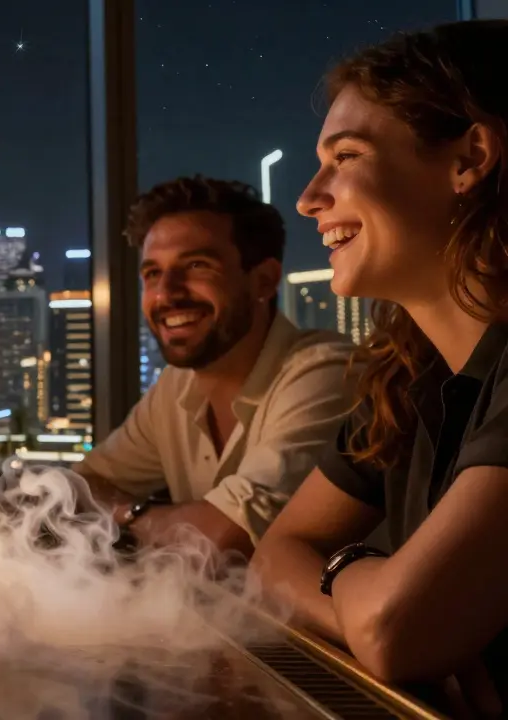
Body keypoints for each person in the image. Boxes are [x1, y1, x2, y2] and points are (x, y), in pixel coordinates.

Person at [251, 20, 508, 712]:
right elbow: (275, 556)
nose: (308, 198)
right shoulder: (405, 374)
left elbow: (398, 633)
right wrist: (366, 603)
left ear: (469, 159)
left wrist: (347, 577)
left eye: (346, 156)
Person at [73, 176, 357, 557]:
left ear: (264, 280)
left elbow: (227, 537)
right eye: (152, 273)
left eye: (196, 265)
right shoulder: (176, 387)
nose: (167, 293)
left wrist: (127, 514)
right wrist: (152, 518)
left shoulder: (326, 372)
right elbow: (84, 485)